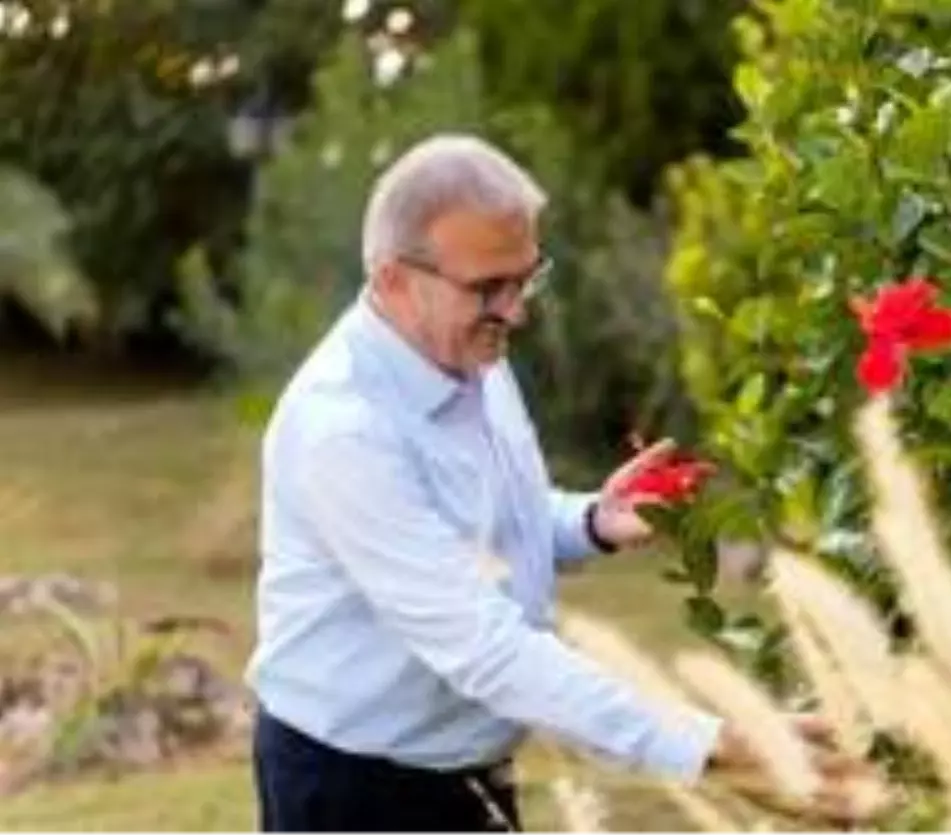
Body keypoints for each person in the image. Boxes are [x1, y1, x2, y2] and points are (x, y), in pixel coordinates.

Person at [246, 134, 879, 834]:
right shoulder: (344, 430)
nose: (517, 311)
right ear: (395, 279)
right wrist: (716, 747)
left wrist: (591, 522)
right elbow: (484, 646)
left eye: (526, 277)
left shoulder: (475, 351)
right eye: (489, 287)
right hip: (353, 792)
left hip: (472, 770)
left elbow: (478, 524)